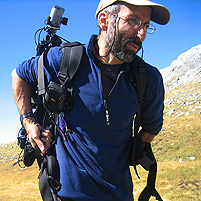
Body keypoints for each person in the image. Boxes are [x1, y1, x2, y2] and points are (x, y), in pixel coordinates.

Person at [12, 0, 170, 200]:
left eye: (146, 25)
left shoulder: (148, 78)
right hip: (64, 195)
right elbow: (19, 75)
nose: (142, 34)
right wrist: (28, 121)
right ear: (104, 21)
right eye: (134, 21)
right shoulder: (66, 60)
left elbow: (151, 128)